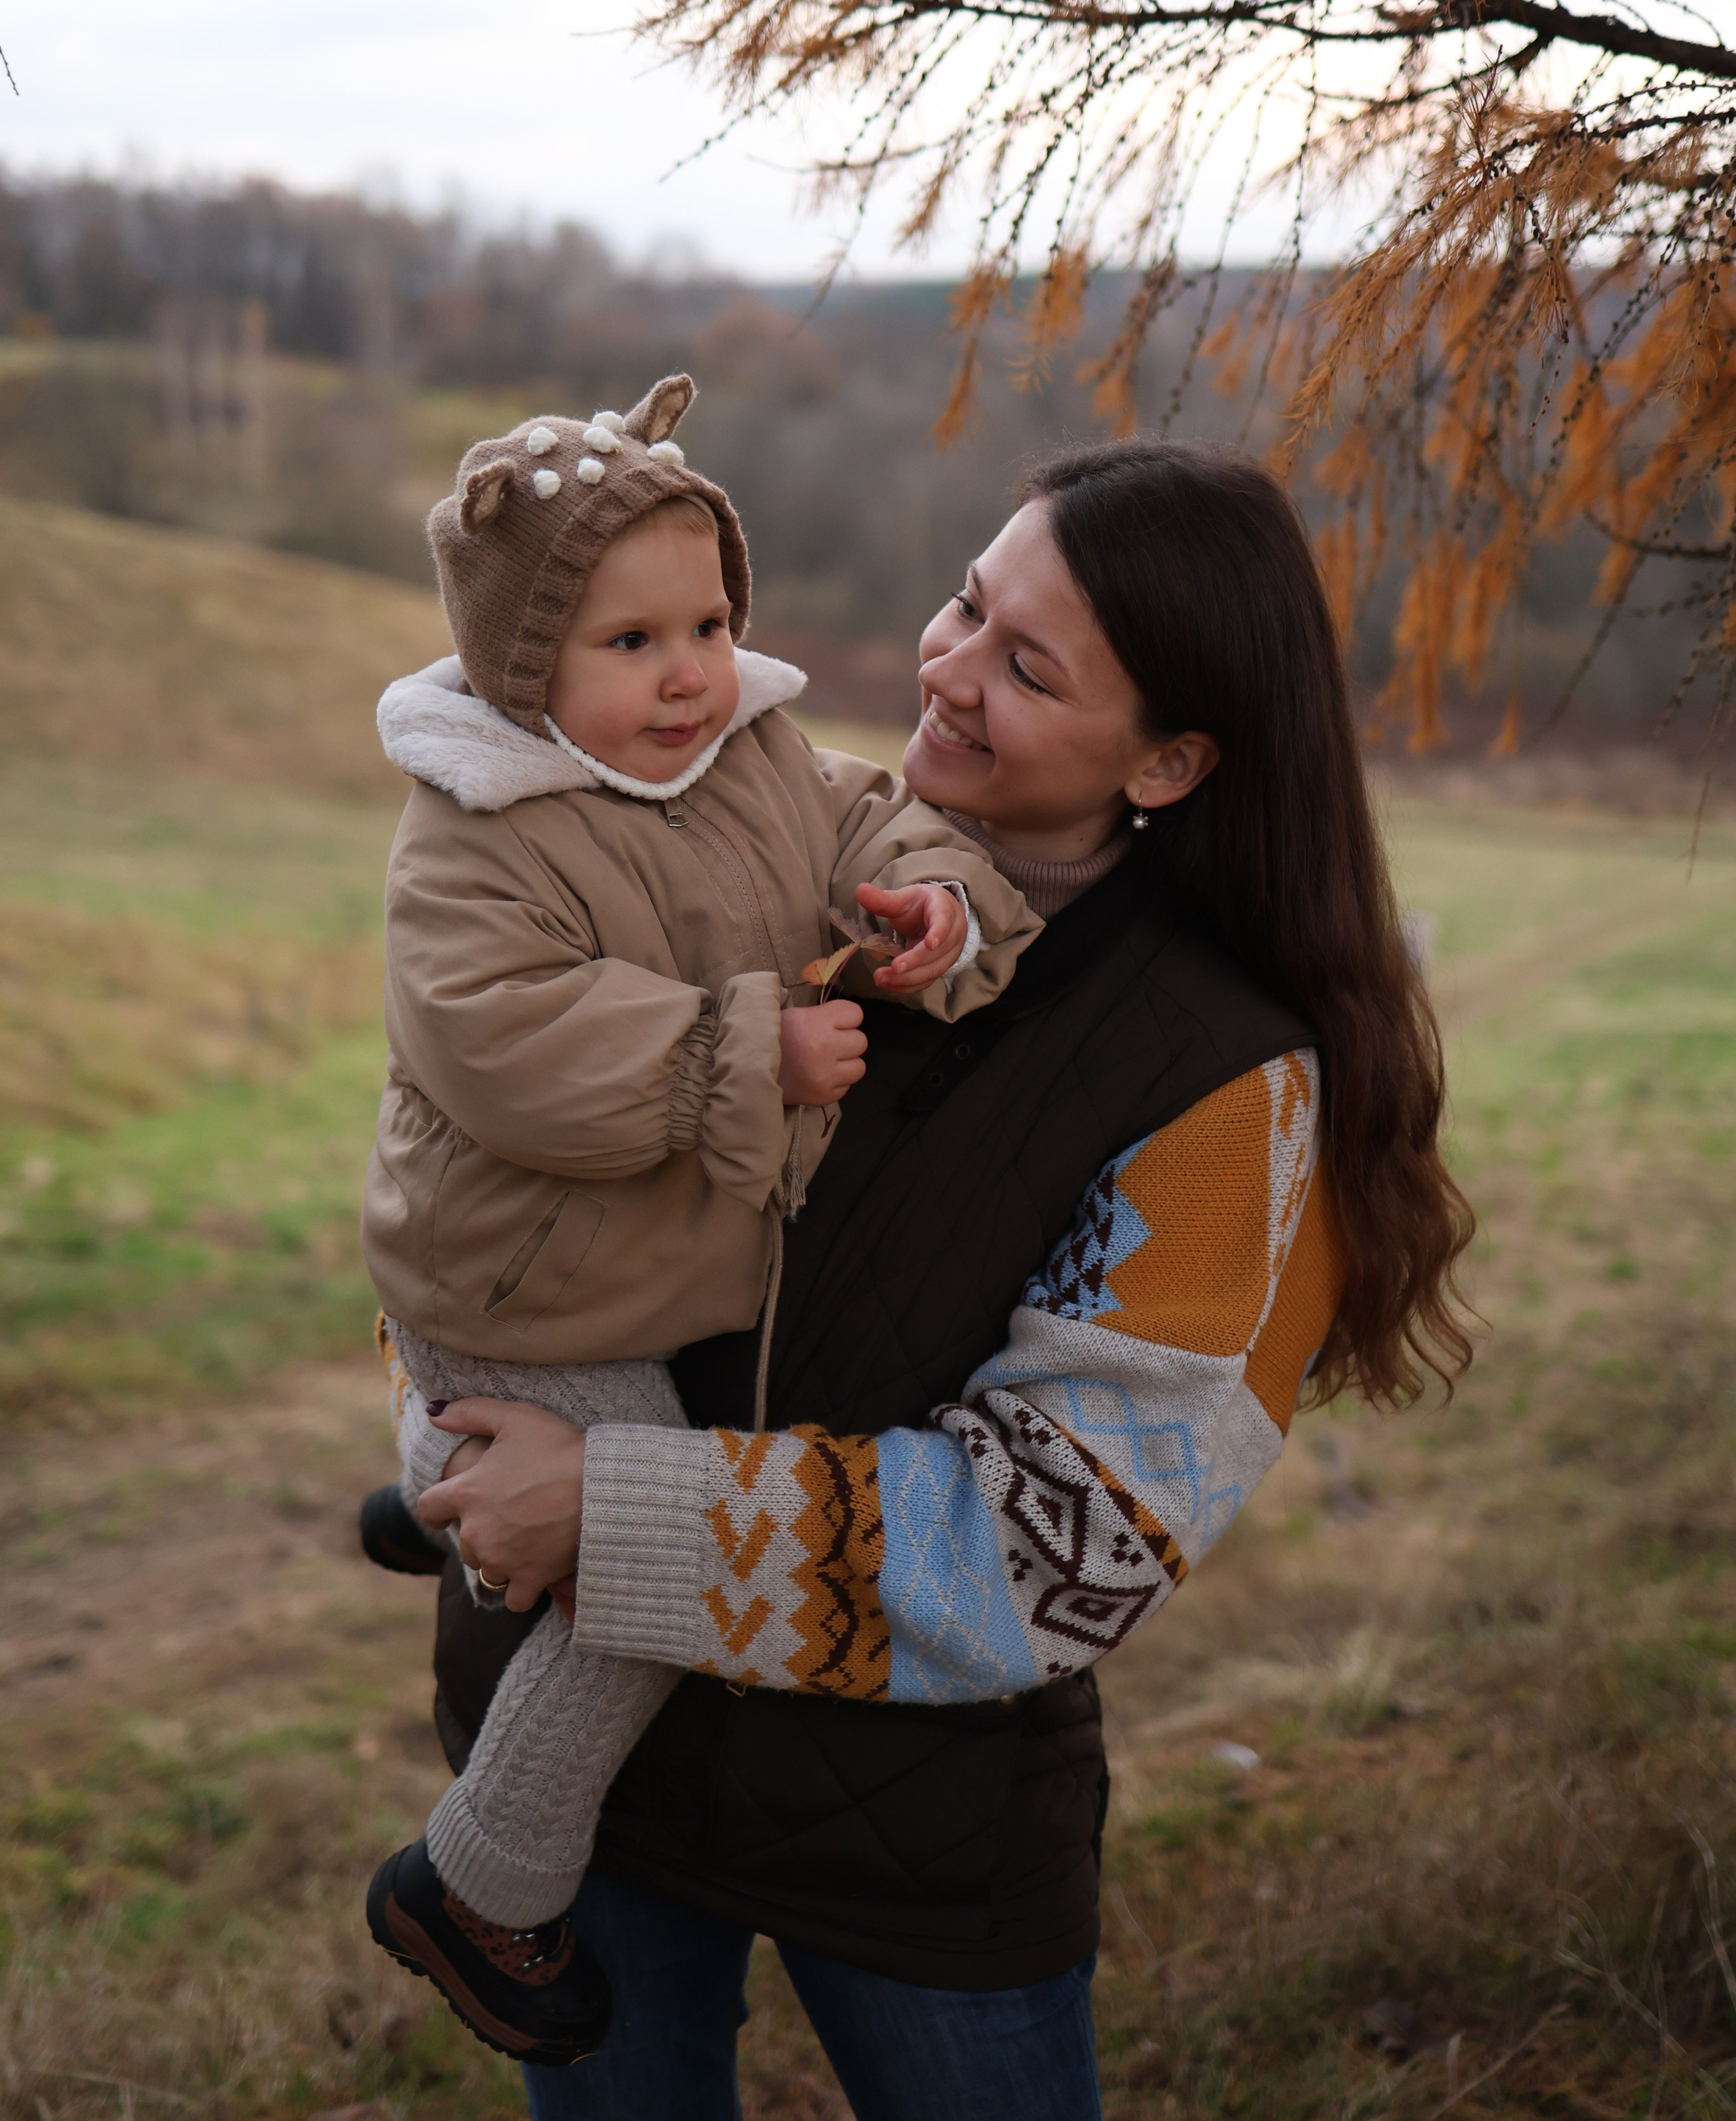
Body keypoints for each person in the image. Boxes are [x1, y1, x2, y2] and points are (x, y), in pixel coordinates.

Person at [408, 439, 1476, 2121]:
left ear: (1173, 760)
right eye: (967, 604)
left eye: (1027, 666)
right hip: (575, 1783)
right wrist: (462, 1437)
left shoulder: (1222, 1085)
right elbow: (491, 1173)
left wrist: (606, 1511)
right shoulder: (751, 840)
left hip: (912, 1827)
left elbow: (1063, 1547)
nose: (947, 672)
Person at [359, 372, 1043, 2064]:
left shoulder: (744, 756)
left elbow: (868, 809)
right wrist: (749, 1049)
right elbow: (508, 1041)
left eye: (711, 622)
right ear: (527, 669)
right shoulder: (472, 833)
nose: (689, 673)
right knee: (639, 1587)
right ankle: (480, 1882)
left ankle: (440, 1480)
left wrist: (933, 909)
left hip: (622, 1269)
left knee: (576, 1482)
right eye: (630, 642)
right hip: (532, 1287)